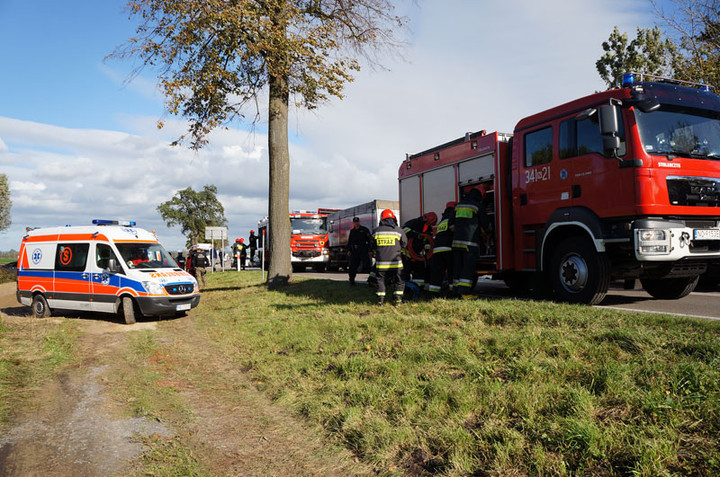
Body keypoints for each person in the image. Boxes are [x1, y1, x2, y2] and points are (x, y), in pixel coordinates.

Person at [371, 209, 407, 306]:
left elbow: (372, 246)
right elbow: (404, 244)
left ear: (382, 219)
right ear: (393, 219)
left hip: (381, 264)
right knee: (399, 280)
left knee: (380, 281)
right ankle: (398, 301)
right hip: (396, 263)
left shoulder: (376, 231)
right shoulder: (399, 230)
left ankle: (380, 301)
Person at [451, 188, 482, 297]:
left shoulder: (458, 206)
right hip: (470, 244)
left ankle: (456, 291)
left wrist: (458, 232)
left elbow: (451, 225)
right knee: (467, 268)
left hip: (455, 244)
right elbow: (485, 223)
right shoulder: (477, 206)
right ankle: (464, 293)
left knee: (457, 267)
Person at [401, 211, 438, 289]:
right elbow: (403, 232)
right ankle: (404, 287)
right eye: (429, 223)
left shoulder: (429, 228)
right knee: (405, 271)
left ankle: (419, 287)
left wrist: (428, 254)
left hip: (418, 254)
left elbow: (429, 241)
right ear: (425, 220)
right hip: (406, 252)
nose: (429, 225)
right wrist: (416, 235)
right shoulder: (414, 223)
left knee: (420, 270)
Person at [426, 202, 455, 298]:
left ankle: (433, 294)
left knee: (437, 273)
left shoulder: (442, 221)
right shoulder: (453, 217)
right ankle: (452, 293)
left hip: (437, 250)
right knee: (452, 271)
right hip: (448, 248)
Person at [347, 217, 372, 285]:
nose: (356, 223)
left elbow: (369, 240)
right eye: (355, 222)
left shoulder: (364, 230)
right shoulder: (352, 231)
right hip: (354, 251)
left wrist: (370, 249)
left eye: (357, 222)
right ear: (353, 223)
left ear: (359, 222)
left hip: (363, 250)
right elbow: (350, 241)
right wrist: (349, 250)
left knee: (367, 265)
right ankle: (351, 280)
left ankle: (371, 280)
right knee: (353, 266)